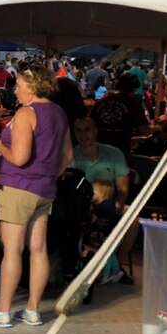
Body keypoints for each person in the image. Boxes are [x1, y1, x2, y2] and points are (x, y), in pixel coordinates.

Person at [0, 68, 72, 328]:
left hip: (18, 187)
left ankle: (4, 310)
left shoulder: (26, 113)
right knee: (38, 249)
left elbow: (20, 158)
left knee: (12, 250)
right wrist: (47, 175)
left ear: (32, 88)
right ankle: (32, 309)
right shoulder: (58, 112)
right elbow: (67, 156)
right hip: (45, 190)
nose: (16, 90)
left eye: (19, 85)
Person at [68, 116, 137, 282]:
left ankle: (116, 265)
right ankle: (72, 262)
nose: (83, 135)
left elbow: (123, 189)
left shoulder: (113, 153)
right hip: (82, 206)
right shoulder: (70, 155)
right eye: (78, 130)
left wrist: (118, 205)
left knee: (133, 219)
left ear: (96, 132)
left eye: (87, 130)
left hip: (109, 202)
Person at [90, 74, 147, 154]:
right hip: (120, 151)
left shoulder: (101, 101)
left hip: (100, 150)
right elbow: (143, 130)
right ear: (133, 89)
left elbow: (90, 124)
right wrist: (158, 128)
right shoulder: (132, 103)